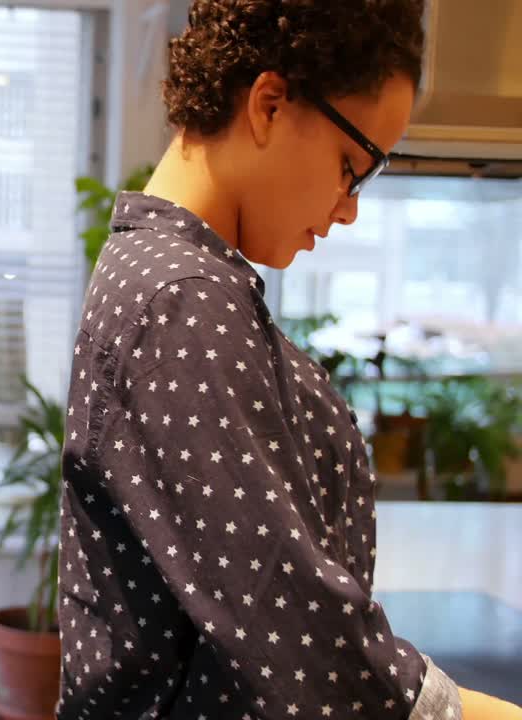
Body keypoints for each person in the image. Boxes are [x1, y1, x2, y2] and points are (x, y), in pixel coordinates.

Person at [56, 1, 522, 718]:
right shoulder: (181, 298)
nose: (349, 208)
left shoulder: (174, 278)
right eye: (352, 167)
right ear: (270, 104)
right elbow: (294, 629)